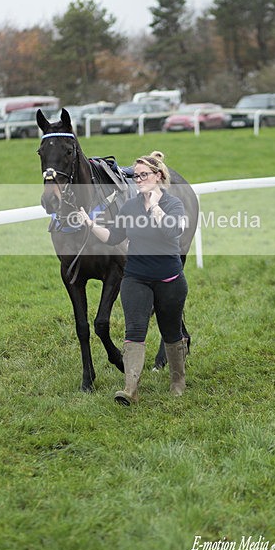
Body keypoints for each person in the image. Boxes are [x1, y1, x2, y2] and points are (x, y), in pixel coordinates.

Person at [78, 151, 189, 405]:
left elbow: (174, 232)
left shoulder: (173, 204)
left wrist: (156, 209)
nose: (138, 180)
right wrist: (90, 224)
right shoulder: (130, 206)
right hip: (136, 278)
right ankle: (130, 389)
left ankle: (177, 381)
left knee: (171, 331)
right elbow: (114, 237)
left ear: (158, 176)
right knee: (134, 332)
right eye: (135, 176)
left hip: (170, 279)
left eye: (143, 175)